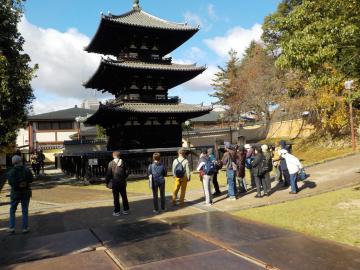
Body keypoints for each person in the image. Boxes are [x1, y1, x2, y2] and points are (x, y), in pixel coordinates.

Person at [7, 155, 34, 234]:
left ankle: (12, 228)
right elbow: (31, 179)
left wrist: (18, 184)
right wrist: (24, 183)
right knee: (25, 210)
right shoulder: (26, 169)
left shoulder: (11, 171)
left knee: (12, 210)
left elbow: (11, 183)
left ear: (13, 162)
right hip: (26, 192)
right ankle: (25, 228)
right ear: (20, 161)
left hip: (15, 193)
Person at [106, 151, 129, 216]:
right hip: (122, 182)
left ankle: (117, 211)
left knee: (116, 198)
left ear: (113, 156)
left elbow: (108, 174)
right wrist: (123, 177)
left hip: (115, 183)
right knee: (124, 196)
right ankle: (126, 210)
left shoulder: (111, 163)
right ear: (119, 156)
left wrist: (107, 182)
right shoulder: (123, 162)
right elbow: (127, 172)